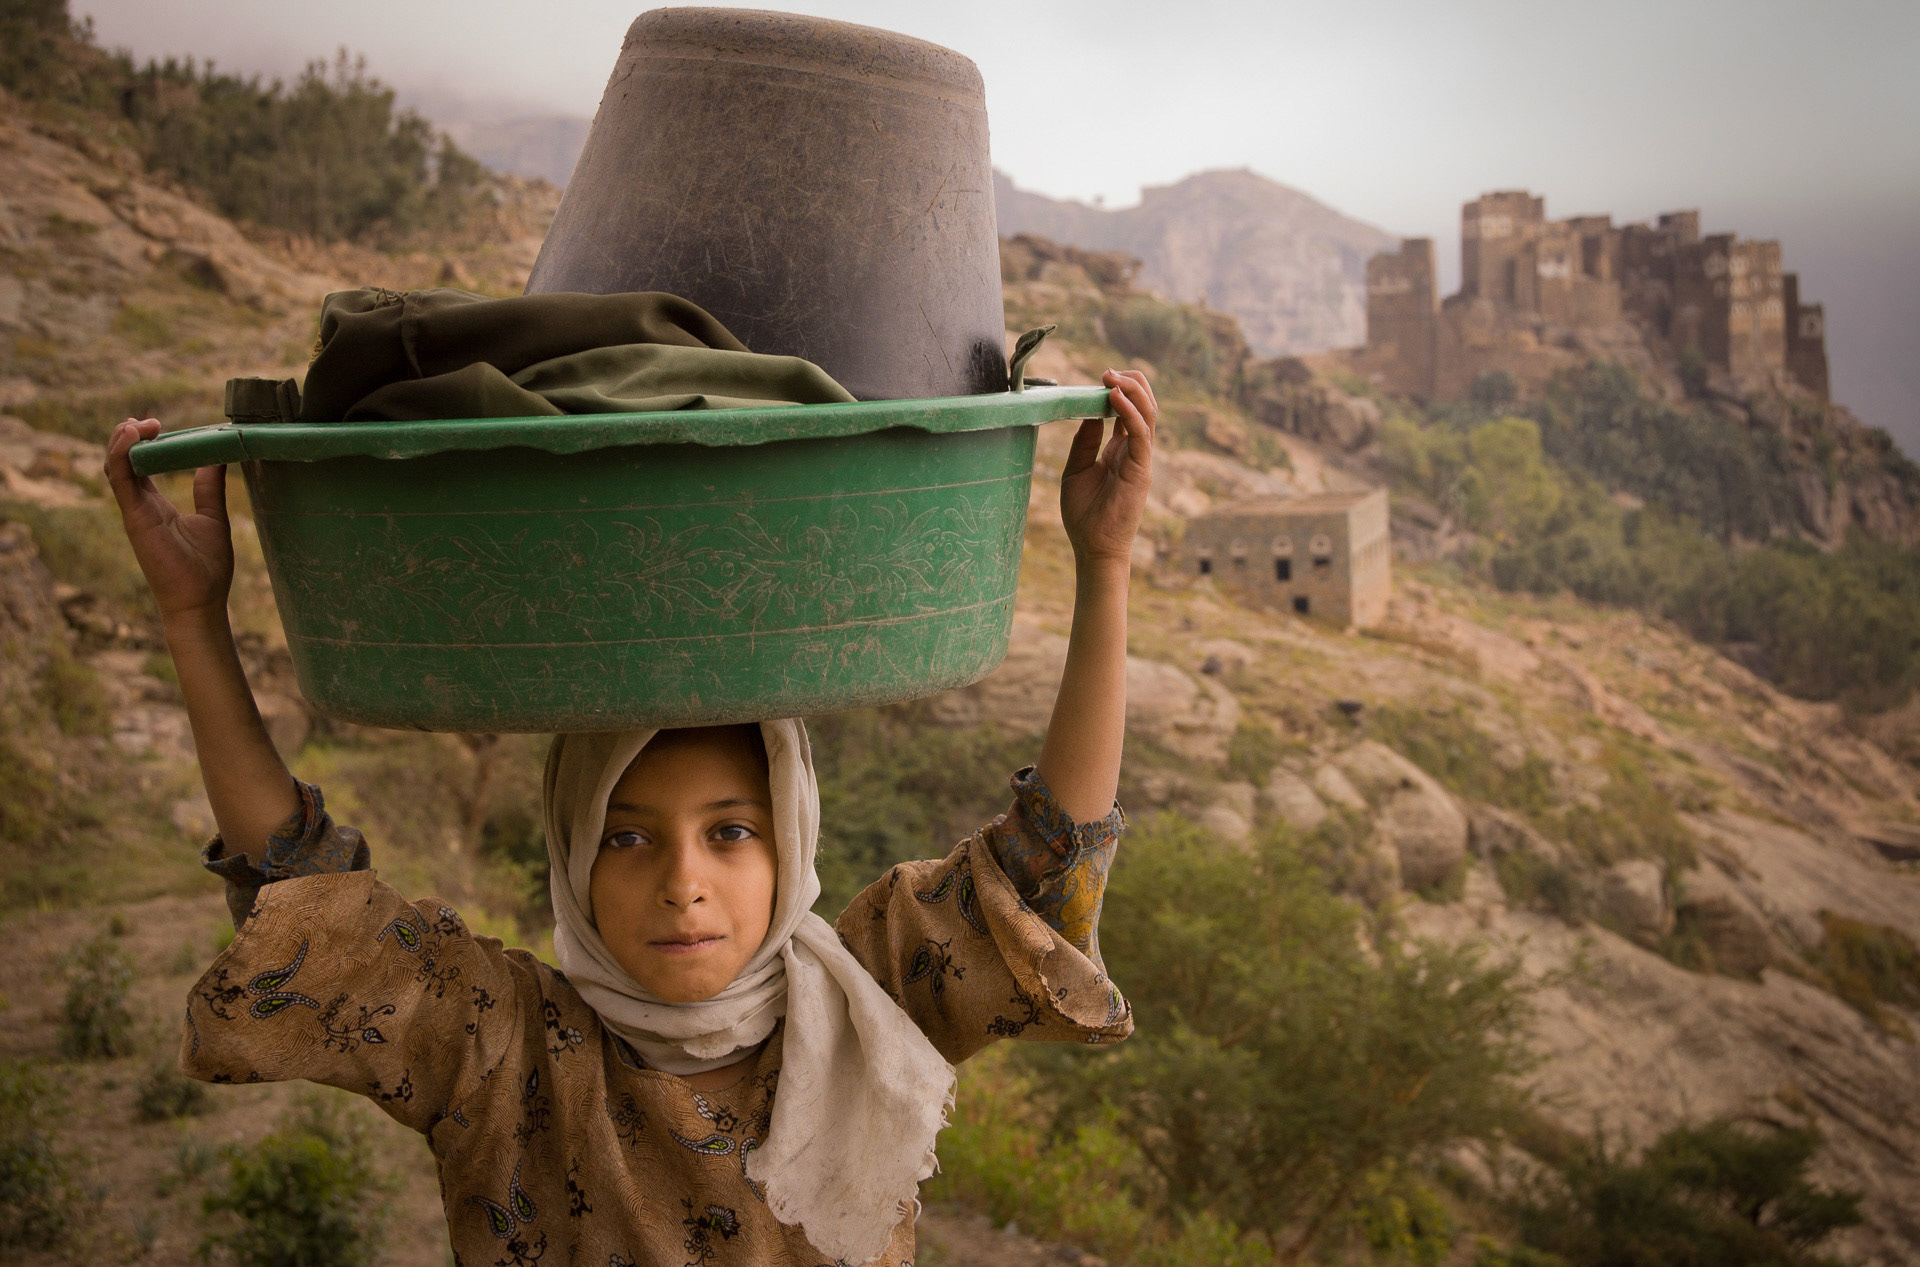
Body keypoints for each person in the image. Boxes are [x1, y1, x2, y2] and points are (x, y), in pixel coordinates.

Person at [104, 368, 1158, 1267]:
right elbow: (306, 903)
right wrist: (193, 617)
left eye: (732, 831)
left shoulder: (880, 991)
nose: (683, 879)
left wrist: (1104, 568)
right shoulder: (501, 1046)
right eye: (628, 835)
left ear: (792, 840)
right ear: (569, 854)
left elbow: (1043, 868)